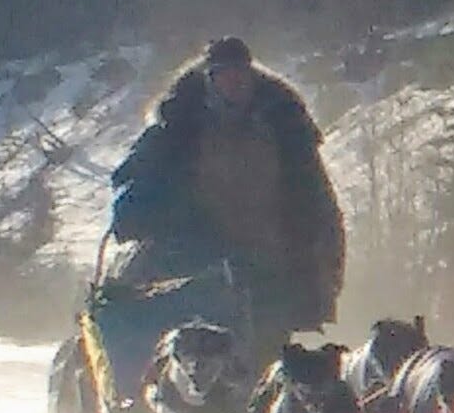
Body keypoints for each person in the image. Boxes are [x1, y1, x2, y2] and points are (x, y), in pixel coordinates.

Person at [107, 37, 345, 340]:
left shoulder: (286, 130)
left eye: (240, 74)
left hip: (268, 269)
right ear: (210, 79)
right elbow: (131, 181)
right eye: (224, 75)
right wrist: (136, 216)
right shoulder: (177, 127)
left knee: (263, 361)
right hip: (192, 263)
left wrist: (326, 273)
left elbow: (318, 202)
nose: (234, 83)